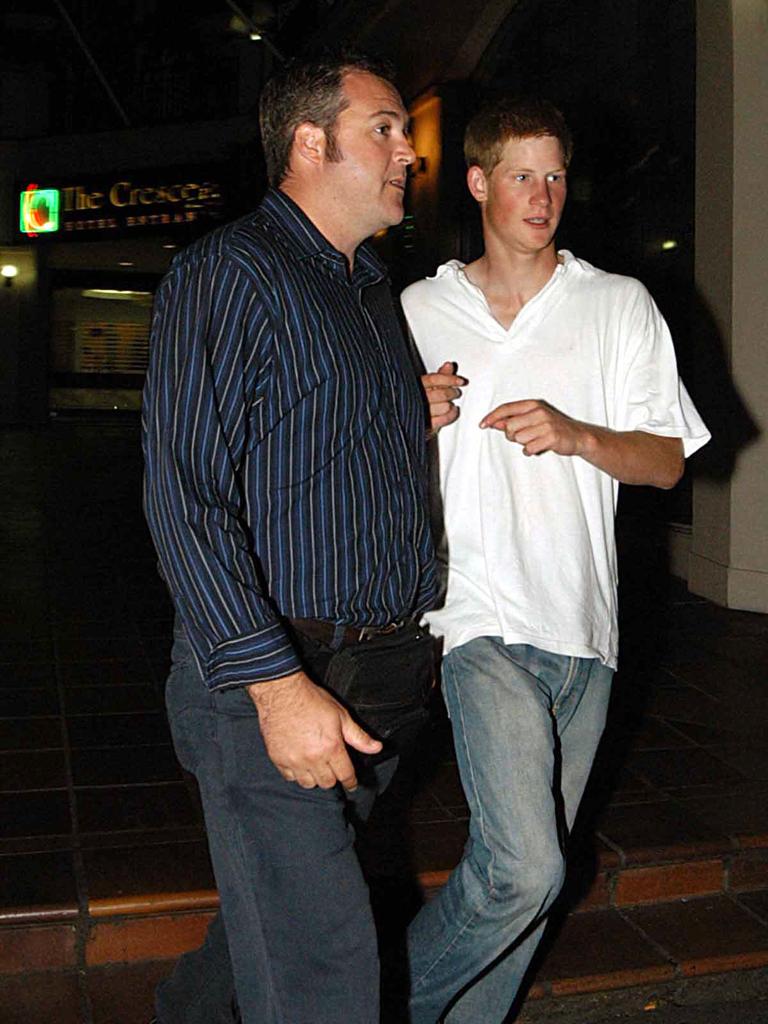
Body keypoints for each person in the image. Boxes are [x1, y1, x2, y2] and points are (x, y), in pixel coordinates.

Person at [142, 52, 461, 1024]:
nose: (409, 150)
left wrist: (400, 410)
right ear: (310, 141)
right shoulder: (229, 271)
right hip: (272, 677)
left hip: (380, 680)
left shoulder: (365, 284)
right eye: (386, 128)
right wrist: (275, 684)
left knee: (268, 925)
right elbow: (184, 493)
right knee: (325, 959)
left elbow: (298, 431)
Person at [402, 96, 710, 1023]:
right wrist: (404, 420)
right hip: (474, 615)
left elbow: (664, 462)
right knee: (527, 865)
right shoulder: (420, 306)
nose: (542, 196)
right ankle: (360, 1001)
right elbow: (367, 467)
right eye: (522, 175)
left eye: (556, 177)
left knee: (532, 887)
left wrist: (579, 434)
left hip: (584, 626)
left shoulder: (617, 304)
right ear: (479, 181)